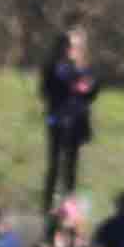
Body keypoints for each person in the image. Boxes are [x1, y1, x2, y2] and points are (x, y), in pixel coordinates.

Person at [39, 28, 97, 214]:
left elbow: (92, 91)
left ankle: (69, 205)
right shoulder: (54, 67)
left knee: (72, 166)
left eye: (76, 46)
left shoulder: (85, 67)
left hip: (78, 121)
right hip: (58, 120)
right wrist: (71, 86)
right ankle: (47, 205)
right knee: (55, 164)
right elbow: (47, 91)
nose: (71, 49)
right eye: (69, 45)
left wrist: (88, 87)